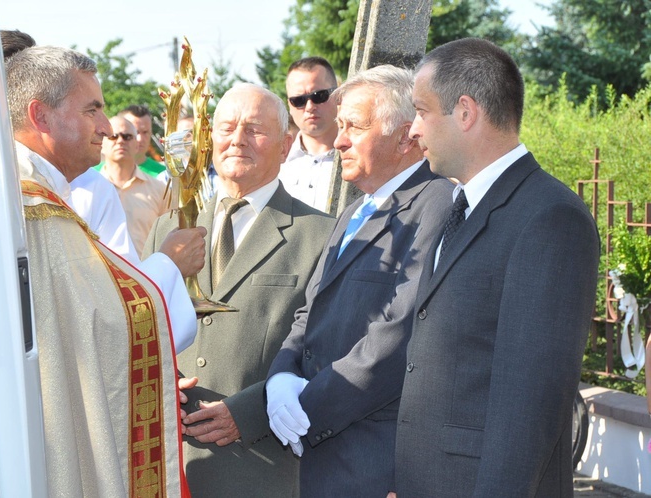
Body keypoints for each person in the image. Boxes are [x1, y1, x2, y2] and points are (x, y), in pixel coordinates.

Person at [391, 38, 600, 497]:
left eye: (422, 112)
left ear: (465, 112)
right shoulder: (457, 204)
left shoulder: (549, 217)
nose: (413, 131)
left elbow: (531, 402)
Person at [5, 45, 192, 497]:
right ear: (40, 115)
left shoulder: (26, 189)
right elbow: (108, 321)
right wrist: (169, 264)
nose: (108, 129)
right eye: (93, 110)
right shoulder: (35, 207)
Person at [266, 65, 453, 497]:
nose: (338, 140)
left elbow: (399, 332)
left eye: (354, 126)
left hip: (374, 461)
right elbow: (309, 310)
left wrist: (305, 405)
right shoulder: (355, 210)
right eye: (340, 125)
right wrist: (279, 379)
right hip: (325, 460)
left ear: (405, 136)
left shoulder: (436, 202)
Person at [143, 83, 335, 498]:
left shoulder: (321, 234)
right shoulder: (169, 229)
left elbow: (327, 348)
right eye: (227, 128)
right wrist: (158, 386)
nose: (237, 140)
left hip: (259, 467)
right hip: (169, 466)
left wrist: (251, 412)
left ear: (285, 146)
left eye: (254, 129)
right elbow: (142, 327)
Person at [100, 115, 168, 256]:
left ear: (137, 145)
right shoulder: (87, 188)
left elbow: (169, 236)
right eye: (113, 136)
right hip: (100, 274)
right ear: (102, 144)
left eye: (127, 137)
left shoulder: (160, 190)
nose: (120, 141)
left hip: (146, 274)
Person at [278, 56, 339, 212]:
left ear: (338, 95)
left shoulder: (360, 155)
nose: (310, 106)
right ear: (289, 105)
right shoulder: (276, 161)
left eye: (319, 96)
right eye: (299, 100)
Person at [118, 104, 166, 177]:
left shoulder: (164, 175)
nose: (140, 139)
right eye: (135, 132)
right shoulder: (99, 173)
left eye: (145, 132)